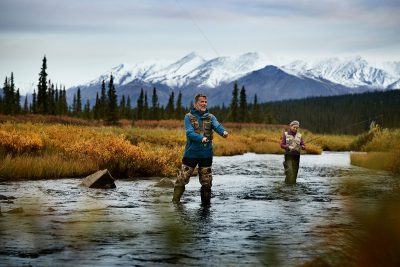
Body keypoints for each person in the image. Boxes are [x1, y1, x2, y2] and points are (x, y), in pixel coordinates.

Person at [172, 93, 228, 205]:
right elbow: (189, 132)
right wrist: (201, 138)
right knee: (181, 180)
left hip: (206, 155)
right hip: (191, 154)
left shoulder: (211, 117)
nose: (204, 104)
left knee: (207, 183)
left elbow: (217, 126)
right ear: (196, 103)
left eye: (205, 102)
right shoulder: (188, 117)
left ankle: (205, 207)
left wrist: (223, 132)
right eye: (201, 102)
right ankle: (175, 203)